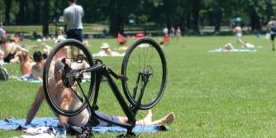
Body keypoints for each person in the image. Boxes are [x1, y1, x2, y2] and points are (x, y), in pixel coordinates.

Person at [24, 48, 173, 130]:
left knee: (121, 119)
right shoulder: (57, 87)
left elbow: (41, 108)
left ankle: (150, 122)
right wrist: (28, 125)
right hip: (88, 120)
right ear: (59, 74)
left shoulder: (54, 87)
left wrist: (29, 125)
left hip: (87, 118)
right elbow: (43, 108)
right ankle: (150, 122)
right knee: (121, 120)